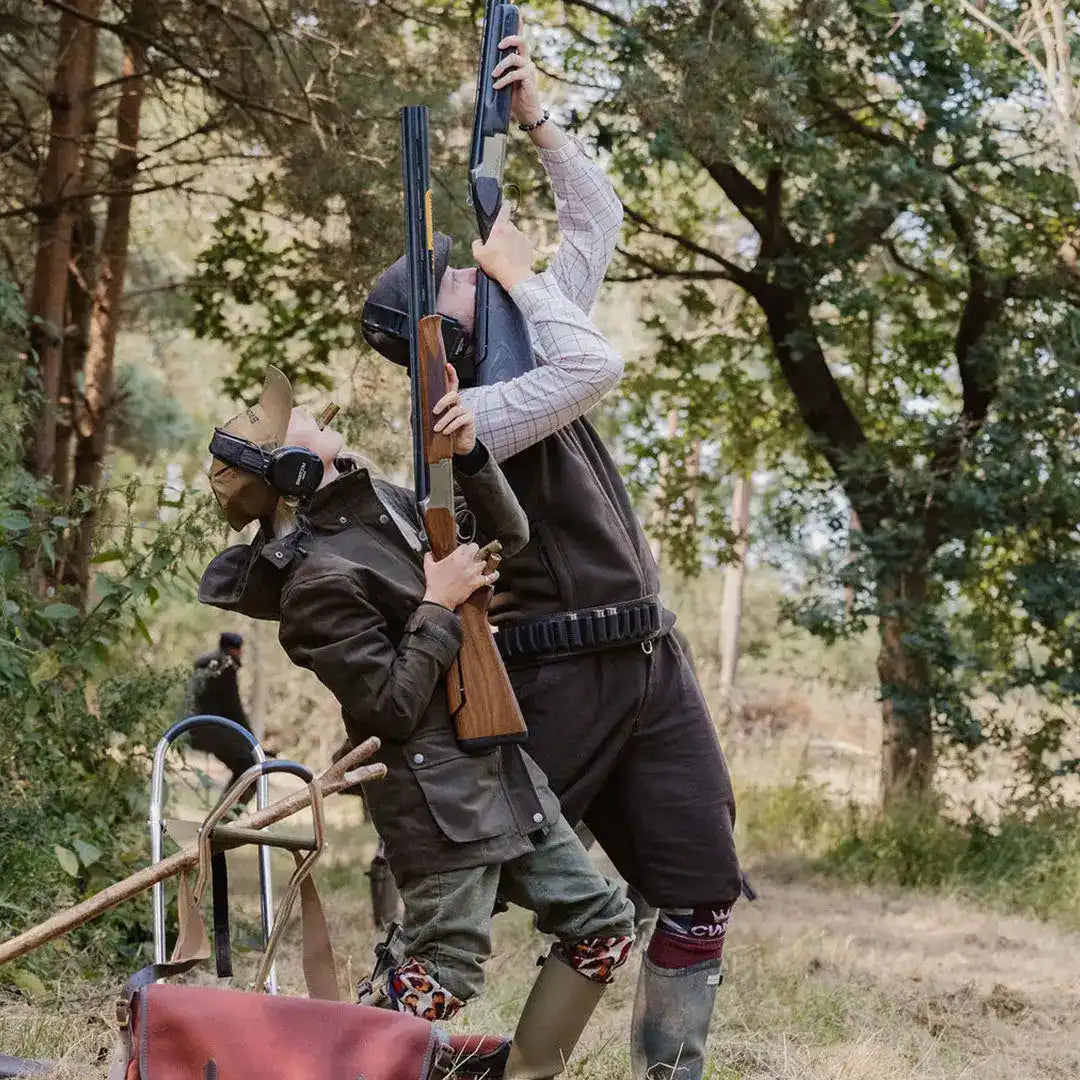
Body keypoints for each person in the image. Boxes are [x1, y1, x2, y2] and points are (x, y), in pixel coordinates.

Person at [362, 18, 742, 1080]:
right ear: (434, 332)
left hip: (648, 660)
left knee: (699, 886)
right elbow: (595, 368)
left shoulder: (527, 339)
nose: (474, 272)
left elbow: (600, 219)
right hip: (555, 674)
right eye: (456, 276)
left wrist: (535, 122)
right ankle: (389, 1051)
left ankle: (671, 1071)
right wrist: (522, 274)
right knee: (460, 886)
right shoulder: (473, 408)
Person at [197, 365, 635, 1079]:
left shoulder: (384, 507)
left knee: (601, 927)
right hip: (438, 798)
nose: (304, 409)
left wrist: (468, 456)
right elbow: (388, 709)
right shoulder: (316, 584)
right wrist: (437, 603)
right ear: (294, 470)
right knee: (441, 971)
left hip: (499, 768)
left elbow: (509, 537)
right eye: (288, 422)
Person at [180, 631, 261, 793]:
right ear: (235, 650)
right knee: (253, 770)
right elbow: (233, 708)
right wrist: (252, 741)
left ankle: (224, 814)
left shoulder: (204, 663)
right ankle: (227, 816)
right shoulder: (226, 667)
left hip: (193, 727)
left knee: (246, 766)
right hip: (213, 729)